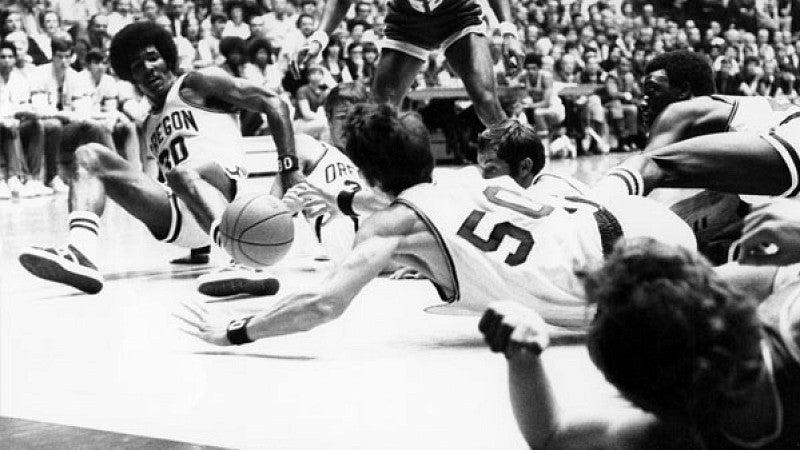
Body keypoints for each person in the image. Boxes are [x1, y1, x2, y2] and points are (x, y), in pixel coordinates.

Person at [175, 103, 697, 344]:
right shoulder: (460, 180)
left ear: (369, 171)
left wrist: (239, 331)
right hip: (635, 223)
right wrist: (339, 198)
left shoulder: (392, 225)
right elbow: (414, 212)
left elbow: (323, 304)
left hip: (614, 284)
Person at [18, 22, 301, 295]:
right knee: (89, 154)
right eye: (137, 66)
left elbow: (273, 102)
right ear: (131, 78)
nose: (148, 68)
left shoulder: (197, 83)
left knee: (183, 171)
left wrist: (289, 167)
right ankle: (80, 252)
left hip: (229, 198)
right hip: (184, 219)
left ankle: (242, 262)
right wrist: (198, 249)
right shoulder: (148, 121)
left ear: (167, 57)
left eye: (152, 58)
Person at [479, 237, 800, 449]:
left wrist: (523, 359)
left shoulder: (685, 418)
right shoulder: (683, 428)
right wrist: (523, 355)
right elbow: (553, 436)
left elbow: (552, 437)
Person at [195, 81, 386, 295]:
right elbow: (269, 209)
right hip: (348, 250)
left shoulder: (380, 156)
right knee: (262, 222)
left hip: (384, 245)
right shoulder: (308, 148)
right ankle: (246, 265)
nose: (348, 125)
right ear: (329, 120)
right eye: (341, 118)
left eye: (354, 118)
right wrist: (286, 209)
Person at [292, 0, 525, 127]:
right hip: (407, 23)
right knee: (379, 115)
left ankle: (518, 175)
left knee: (486, 101)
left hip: (457, 15)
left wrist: (509, 32)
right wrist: (318, 39)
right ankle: (391, 187)